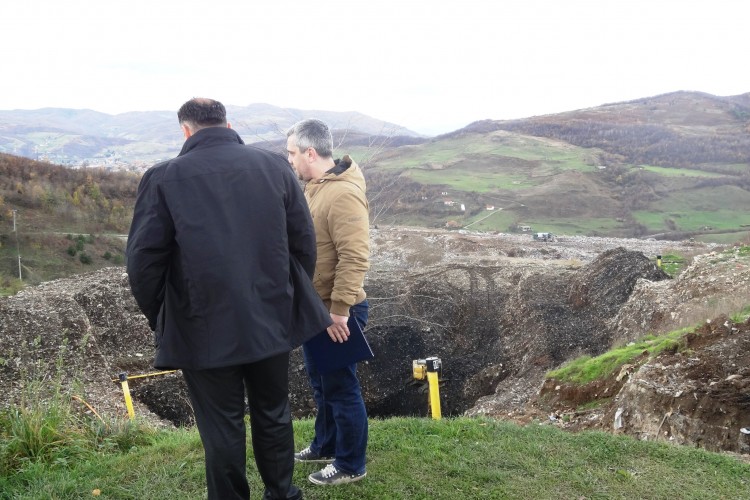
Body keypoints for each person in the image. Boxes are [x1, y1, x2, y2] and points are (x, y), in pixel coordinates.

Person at [126, 98, 331, 500]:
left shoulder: (164, 178)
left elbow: (143, 262)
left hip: (201, 325)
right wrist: (286, 297)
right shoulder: (274, 167)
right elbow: (303, 243)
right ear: (227, 123)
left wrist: (165, 317)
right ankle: (283, 494)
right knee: (274, 413)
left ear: (186, 130)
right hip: (270, 318)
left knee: (221, 426)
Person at [286, 119, 371, 486]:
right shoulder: (317, 186)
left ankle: (351, 464)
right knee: (321, 383)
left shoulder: (342, 193)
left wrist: (339, 312)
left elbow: (355, 256)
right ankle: (325, 444)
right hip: (315, 307)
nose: (288, 159)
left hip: (336, 311)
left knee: (340, 386)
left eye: (291, 153)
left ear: (309, 152)